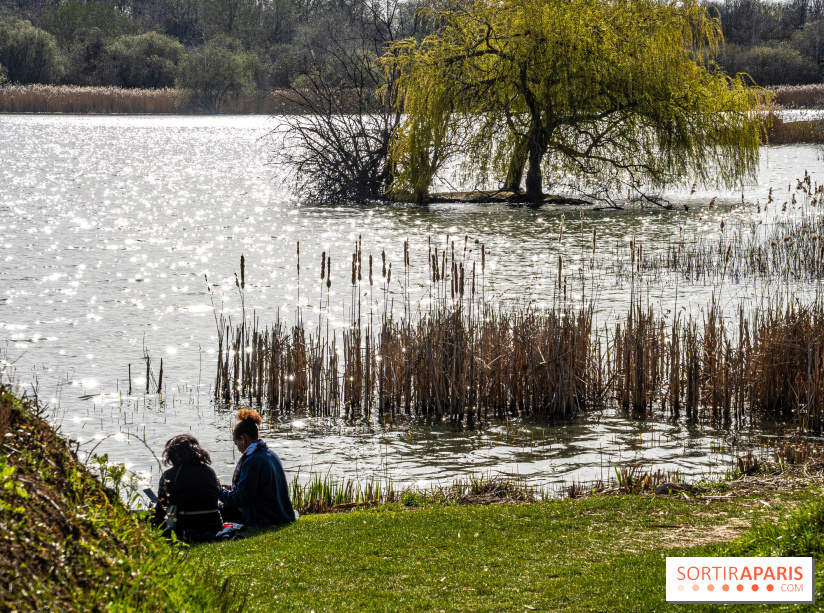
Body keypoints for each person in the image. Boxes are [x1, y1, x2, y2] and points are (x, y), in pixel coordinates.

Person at [219, 409, 296, 527]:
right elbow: (255, 489)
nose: (238, 448)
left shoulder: (252, 461)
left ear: (243, 439)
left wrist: (218, 491)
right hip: (278, 513)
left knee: (218, 510)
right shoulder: (270, 454)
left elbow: (241, 499)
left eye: (237, 443)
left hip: (263, 517)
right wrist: (230, 488)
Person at [153, 434, 223, 537]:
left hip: (186, 526)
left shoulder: (170, 475)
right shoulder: (209, 471)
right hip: (214, 525)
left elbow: (161, 510)